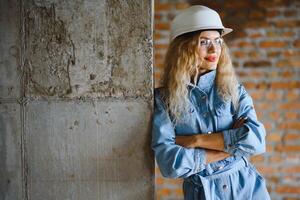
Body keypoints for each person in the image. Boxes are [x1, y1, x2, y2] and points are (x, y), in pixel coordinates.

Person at [152, 5, 270, 200]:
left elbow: (256, 141)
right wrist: (231, 144)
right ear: (184, 47)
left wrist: (194, 141)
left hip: (247, 189)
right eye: (204, 42)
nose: (214, 49)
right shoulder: (164, 100)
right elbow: (170, 164)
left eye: (218, 41)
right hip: (202, 192)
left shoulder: (234, 90)